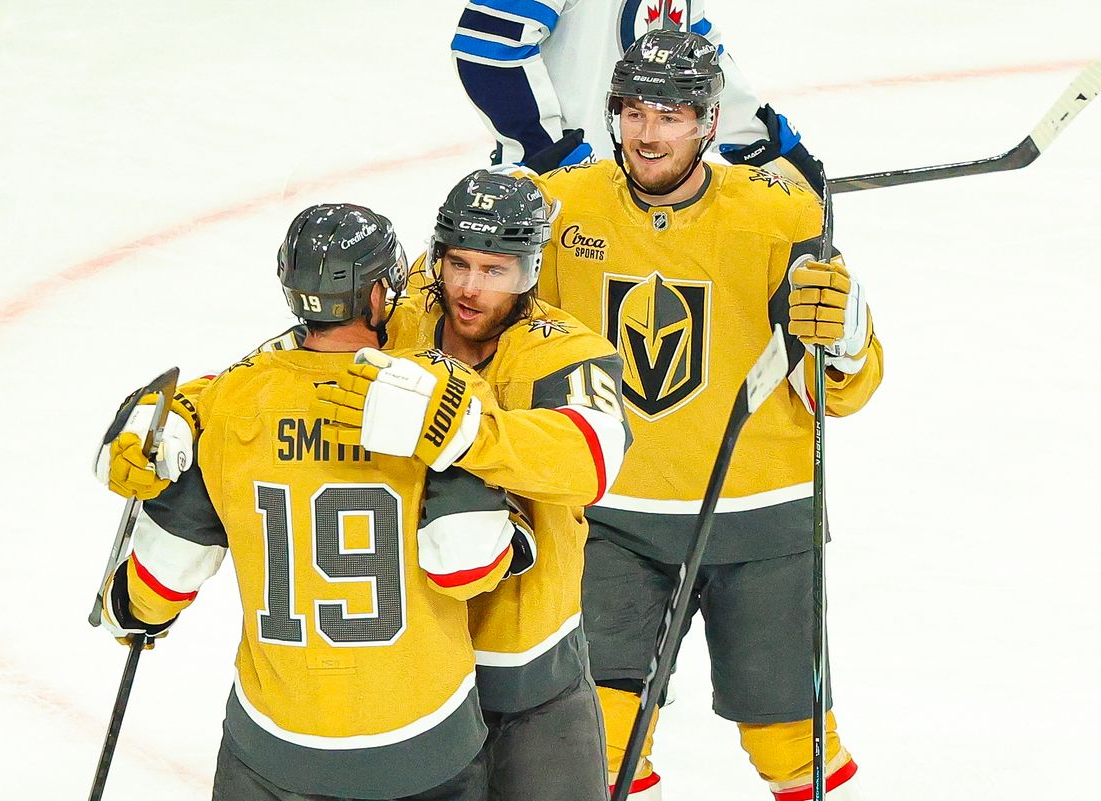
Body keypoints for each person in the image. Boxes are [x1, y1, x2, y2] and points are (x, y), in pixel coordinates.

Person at [97, 172, 632, 801]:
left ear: (531, 269)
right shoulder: (391, 319)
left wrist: (466, 433)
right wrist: (176, 414)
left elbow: (592, 460)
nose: (468, 287)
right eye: (456, 263)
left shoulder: (564, 352)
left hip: (519, 669)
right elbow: (269, 375)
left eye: (495, 270)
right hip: (408, 683)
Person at [525, 29, 884, 801]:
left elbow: (840, 391)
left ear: (709, 124)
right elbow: (514, 341)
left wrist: (848, 336)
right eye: (633, 111)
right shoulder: (561, 208)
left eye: (672, 114)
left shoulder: (779, 213)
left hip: (759, 513)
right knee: (599, 736)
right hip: (613, 514)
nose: (648, 133)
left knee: (793, 743)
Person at [450, 0, 824, 192]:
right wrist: (559, 162)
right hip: (555, 205)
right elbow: (488, 54)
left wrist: (761, 144)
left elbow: (692, 54)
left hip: (645, 196)